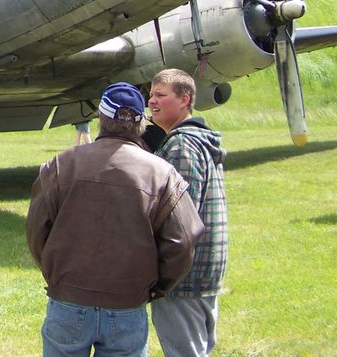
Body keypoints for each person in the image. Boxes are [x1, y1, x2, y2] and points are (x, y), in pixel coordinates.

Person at [26, 82, 204, 357]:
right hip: (127, 304)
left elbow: (37, 230)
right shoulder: (162, 173)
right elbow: (182, 242)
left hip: (69, 299)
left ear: (101, 118)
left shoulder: (60, 165)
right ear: (141, 124)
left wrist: (57, 276)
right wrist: (155, 287)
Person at [147, 69, 228, 357]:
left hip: (185, 278)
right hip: (204, 270)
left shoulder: (181, 145)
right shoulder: (197, 141)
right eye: (151, 95)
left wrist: (163, 272)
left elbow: (179, 216)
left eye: (160, 95)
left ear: (185, 99)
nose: (151, 102)